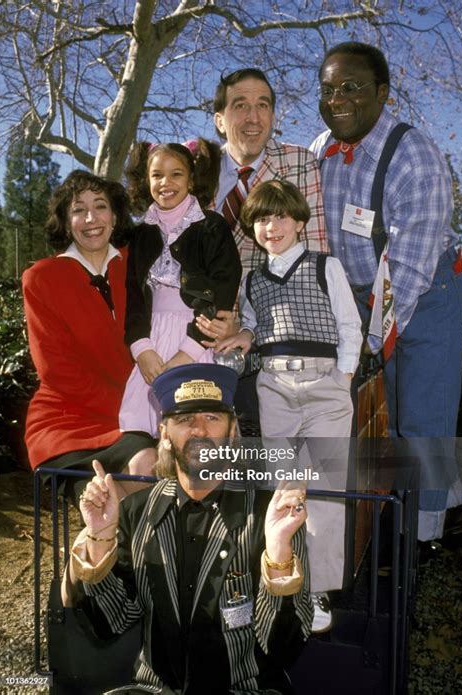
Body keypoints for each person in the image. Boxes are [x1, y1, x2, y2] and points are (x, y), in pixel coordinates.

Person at [62, 363, 313, 694]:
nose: (199, 430)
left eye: (212, 417)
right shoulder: (136, 513)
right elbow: (108, 626)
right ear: (164, 434)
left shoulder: (272, 514)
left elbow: (283, 650)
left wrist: (279, 548)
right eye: (184, 420)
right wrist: (100, 537)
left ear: (232, 429)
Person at [309, 41, 462, 541]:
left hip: (427, 292)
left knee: (421, 421)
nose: (337, 99)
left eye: (351, 88)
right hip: (357, 295)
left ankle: (422, 543)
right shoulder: (320, 152)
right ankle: (433, 504)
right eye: (328, 89)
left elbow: (407, 273)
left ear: (382, 93)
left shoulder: (413, 155)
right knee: (380, 416)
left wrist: (368, 342)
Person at [215, 180, 362, 631]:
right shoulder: (253, 279)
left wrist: (342, 378)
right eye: (260, 218)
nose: (270, 226)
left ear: (299, 221)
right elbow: (257, 328)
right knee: (284, 487)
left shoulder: (325, 266)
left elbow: (349, 325)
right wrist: (243, 336)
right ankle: (281, 579)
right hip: (274, 388)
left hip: (325, 388)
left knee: (323, 490)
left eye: (279, 216)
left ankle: (318, 588)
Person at [22, 170, 157, 504]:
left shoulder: (141, 265)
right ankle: (105, 544)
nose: (91, 218)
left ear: (115, 216)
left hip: (137, 419)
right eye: (78, 209)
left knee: (147, 467)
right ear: (67, 221)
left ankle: (117, 549)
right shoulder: (40, 278)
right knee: (102, 498)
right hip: (68, 422)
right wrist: (136, 412)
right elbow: (56, 372)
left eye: (100, 206)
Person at [118, 139, 242, 439]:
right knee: (140, 421)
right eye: (157, 175)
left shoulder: (211, 227)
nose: (166, 183)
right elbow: (134, 296)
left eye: (176, 174)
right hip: (152, 344)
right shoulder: (141, 233)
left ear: (191, 178)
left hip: (196, 341)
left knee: (193, 427)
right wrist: (142, 350)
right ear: (145, 180)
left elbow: (224, 288)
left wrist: (187, 353)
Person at [195, 67, 328, 344]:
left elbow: (312, 263)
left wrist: (249, 328)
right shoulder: (197, 169)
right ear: (219, 120)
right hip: (200, 328)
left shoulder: (299, 162)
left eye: (262, 106)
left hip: (276, 328)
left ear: (273, 116)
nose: (253, 118)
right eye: (240, 105)